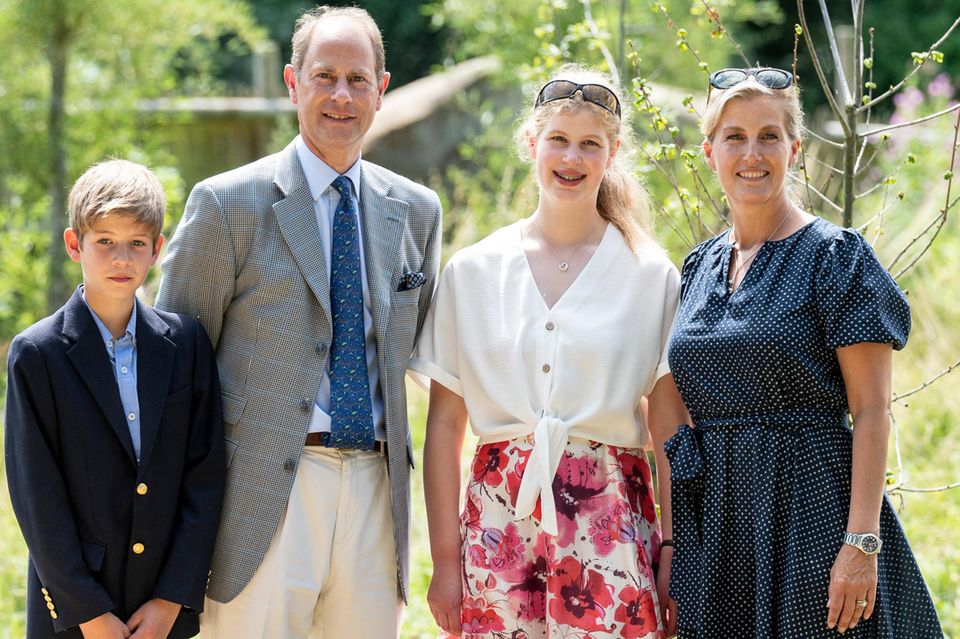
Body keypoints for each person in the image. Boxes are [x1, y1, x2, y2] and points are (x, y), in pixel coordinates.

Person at [155, 5, 442, 638]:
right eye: (324, 75)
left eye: (358, 79)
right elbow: (171, 370)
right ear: (292, 83)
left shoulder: (417, 212)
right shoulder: (226, 204)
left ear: (382, 89)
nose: (341, 95)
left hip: (375, 492)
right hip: (261, 500)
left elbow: (424, 359)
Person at [664, 67, 943, 637]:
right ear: (709, 151)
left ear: (795, 149)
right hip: (717, 522)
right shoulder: (697, 266)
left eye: (769, 136)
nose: (752, 153)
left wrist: (861, 542)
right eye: (734, 136)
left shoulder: (836, 258)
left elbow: (870, 410)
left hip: (811, 512)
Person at [411, 65, 687, 638]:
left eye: (591, 144)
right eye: (559, 139)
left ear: (611, 155)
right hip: (498, 519)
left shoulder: (649, 275)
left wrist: (671, 551)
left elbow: (667, 427)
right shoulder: (473, 271)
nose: (572, 157)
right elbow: (444, 427)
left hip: (612, 516)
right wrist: (444, 561)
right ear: (532, 144)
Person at [4, 160, 225, 639]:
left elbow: (204, 476)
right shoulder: (36, 354)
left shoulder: (187, 344)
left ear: (157, 250)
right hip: (74, 614)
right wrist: (88, 613)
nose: (121, 258)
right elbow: (36, 496)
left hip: (162, 611)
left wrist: (171, 600)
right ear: (73, 244)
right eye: (104, 241)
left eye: (136, 243)